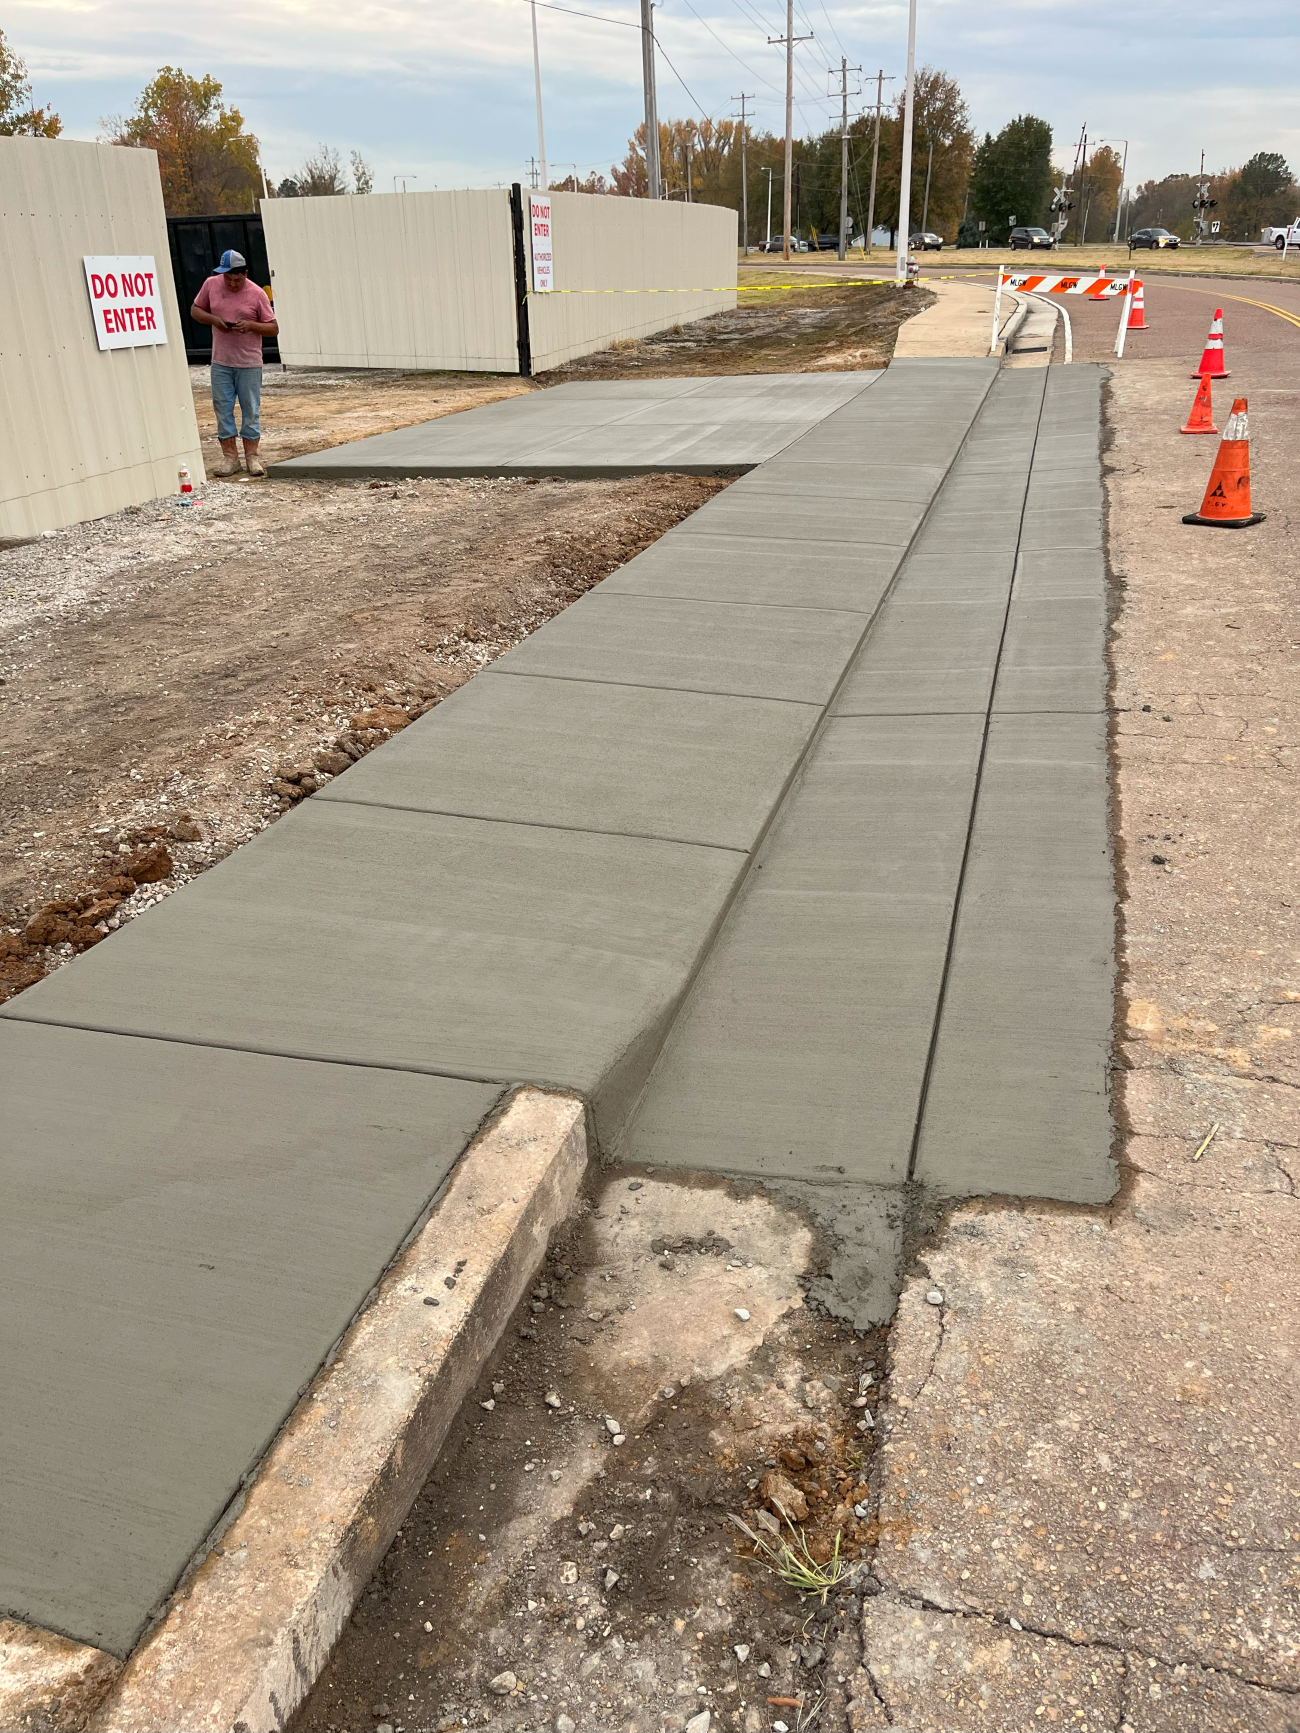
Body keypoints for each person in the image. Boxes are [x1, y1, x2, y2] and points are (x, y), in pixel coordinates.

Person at [190, 249, 279, 477]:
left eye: (237, 279)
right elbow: (195, 310)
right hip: (221, 361)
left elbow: (273, 328)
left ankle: (252, 457)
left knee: (250, 409)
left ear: (245, 274)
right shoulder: (211, 284)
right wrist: (213, 320)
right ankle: (230, 458)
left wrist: (250, 326)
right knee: (222, 408)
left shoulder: (257, 293)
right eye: (227, 278)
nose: (231, 283)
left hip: (249, 362)